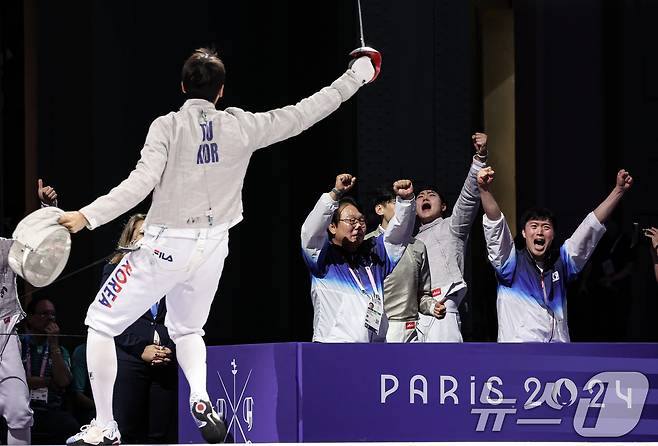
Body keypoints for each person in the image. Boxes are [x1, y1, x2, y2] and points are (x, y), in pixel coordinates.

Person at [58, 46, 380, 445]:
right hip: (212, 247)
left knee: (101, 321)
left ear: (182, 86)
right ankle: (200, 395)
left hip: (166, 244)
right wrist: (358, 75)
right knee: (189, 329)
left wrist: (86, 215)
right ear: (221, 91)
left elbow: (140, 183)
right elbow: (304, 112)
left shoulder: (167, 126)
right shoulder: (241, 126)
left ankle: (105, 425)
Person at [478, 166, 633, 342]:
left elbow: (590, 227)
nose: (539, 232)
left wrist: (618, 191)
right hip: (519, 358)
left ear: (553, 234)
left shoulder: (561, 262)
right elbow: (496, 227)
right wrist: (484, 191)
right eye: (534, 226)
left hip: (557, 357)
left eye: (546, 227)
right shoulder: (510, 264)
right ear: (523, 233)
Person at [301, 174, 415, 342]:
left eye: (361, 220)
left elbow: (398, 235)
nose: (358, 225)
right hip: (334, 347)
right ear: (332, 227)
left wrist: (405, 201)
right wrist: (334, 194)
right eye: (351, 220)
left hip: (373, 348)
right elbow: (310, 232)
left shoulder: (374, 254)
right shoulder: (322, 258)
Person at [106, 214, 177, 444]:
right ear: (130, 239)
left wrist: (168, 348)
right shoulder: (114, 271)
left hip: (164, 361)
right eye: (142, 233)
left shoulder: (173, 272)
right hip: (129, 359)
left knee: (161, 434)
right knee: (126, 431)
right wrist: (140, 349)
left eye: (154, 233)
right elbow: (108, 319)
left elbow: (182, 316)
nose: (148, 239)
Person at [414, 133, 489, 342]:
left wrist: (479, 159)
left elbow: (468, 198)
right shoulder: (408, 242)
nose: (425, 197)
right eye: (420, 196)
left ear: (444, 206)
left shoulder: (451, 227)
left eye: (431, 195)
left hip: (443, 309)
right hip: (415, 314)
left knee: (444, 370)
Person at [0, 179, 58, 445]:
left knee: (19, 412)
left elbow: (41, 247)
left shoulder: (6, 247)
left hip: (4, 331)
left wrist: (48, 208)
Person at [365, 187, 446, 342]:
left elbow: (423, 295)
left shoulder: (418, 246)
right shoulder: (367, 244)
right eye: (397, 203)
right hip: (379, 330)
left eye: (407, 204)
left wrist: (432, 306)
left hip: (411, 330)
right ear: (380, 209)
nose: (404, 208)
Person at [21, 298, 79, 444]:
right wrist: (45, 381)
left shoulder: (60, 349)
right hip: (21, 407)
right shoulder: (18, 344)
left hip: (49, 410)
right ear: (30, 318)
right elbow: (12, 380)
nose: (50, 318)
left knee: (70, 425)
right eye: (44, 314)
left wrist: (54, 345)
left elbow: (63, 382)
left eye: (52, 314)